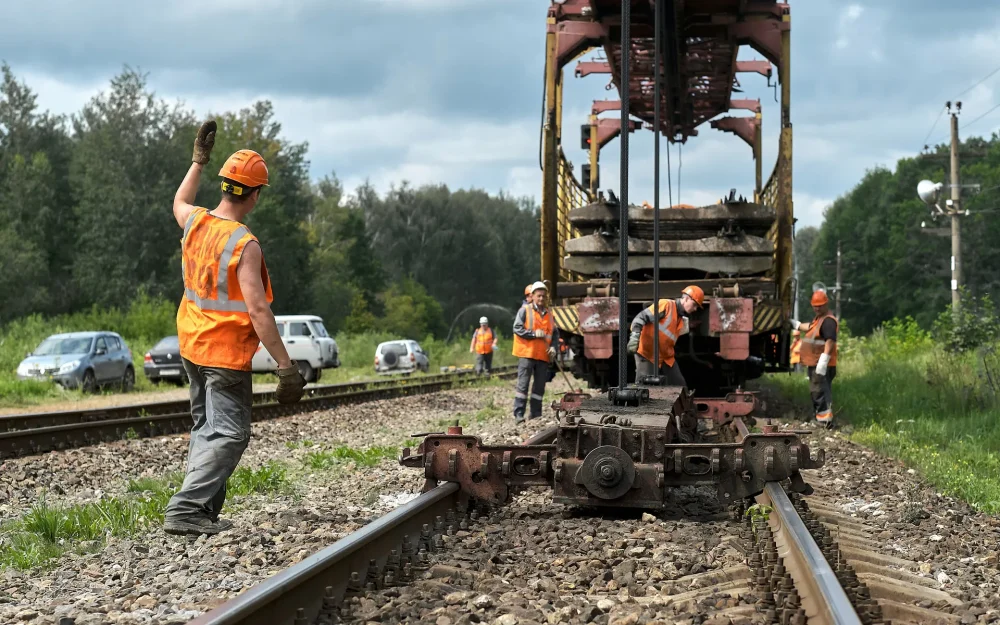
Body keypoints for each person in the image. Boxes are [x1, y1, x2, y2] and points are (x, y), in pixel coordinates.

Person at [163, 120, 307, 536]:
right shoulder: (244, 244)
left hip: (191, 344)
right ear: (256, 195)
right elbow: (258, 311)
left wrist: (197, 163)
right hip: (224, 355)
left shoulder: (196, 222)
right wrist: (285, 366)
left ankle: (202, 512)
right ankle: (186, 509)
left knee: (205, 429)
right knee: (229, 434)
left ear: (226, 185)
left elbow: (179, 200)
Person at [627, 285, 704, 386]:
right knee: (644, 389)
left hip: (666, 357)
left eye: (697, 307)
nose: (695, 309)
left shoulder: (680, 318)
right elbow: (640, 318)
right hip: (647, 354)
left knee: (680, 387)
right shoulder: (667, 305)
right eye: (694, 305)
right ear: (686, 299)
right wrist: (634, 337)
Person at [789, 290, 837, 426]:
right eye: (815, 305)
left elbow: (830, 341)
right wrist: (796, 324)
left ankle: (825, 421)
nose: (817, 308)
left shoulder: (828, 321)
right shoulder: (819, 320)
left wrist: (824, 359)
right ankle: (821, 418)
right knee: (817, 390)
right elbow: (808, 327)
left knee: (820, 390)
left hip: (821, 363)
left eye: (820, 305)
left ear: (826, 304)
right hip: (816, 363)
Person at [512, 281, 558, 423]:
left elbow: (555, 334)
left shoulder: (549, 314)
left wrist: (554, 347)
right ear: (532, 296)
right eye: (538, 296)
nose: (541, 299)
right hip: (527, 354)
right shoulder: (525, 311)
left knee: (539, 387)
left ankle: (536, 415)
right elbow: (517, 328)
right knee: (523, 385)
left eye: (544, 296)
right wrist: (532, 333)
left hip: (543, 355)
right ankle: (519, 415)